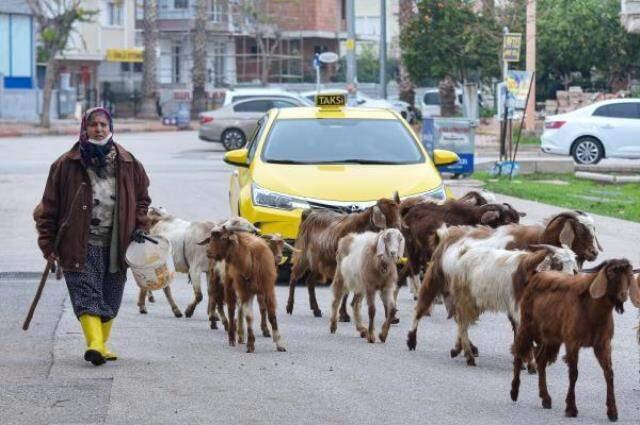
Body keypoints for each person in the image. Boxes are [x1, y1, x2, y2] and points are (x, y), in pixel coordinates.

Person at [35, 107, 151, 366]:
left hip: (117, 242)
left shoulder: (129, 162)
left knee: (111, 296)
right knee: (86, 293)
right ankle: (95, 345)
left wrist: (141, 225)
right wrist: (47, 243)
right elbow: (48, 208)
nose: (98, 129)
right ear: (84, 129)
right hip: (78, 241)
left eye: (103, 124)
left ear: (111, 128)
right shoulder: (66, 164)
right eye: (93, 125)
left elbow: (143, 200)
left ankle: (102, 344)